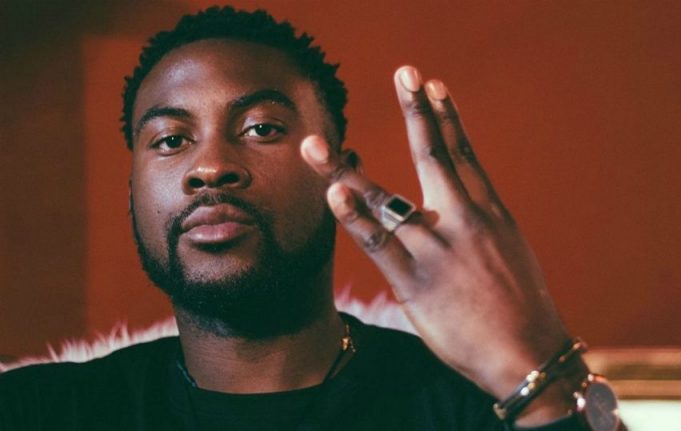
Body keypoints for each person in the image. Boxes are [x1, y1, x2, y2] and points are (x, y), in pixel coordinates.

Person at [0, 6, 620, 431]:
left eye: (261, 128)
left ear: (339, 176)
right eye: (170, 140)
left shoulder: (477, 406)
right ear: (132, 192)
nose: (209, 166)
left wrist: (541, 370)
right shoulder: (40, 411)